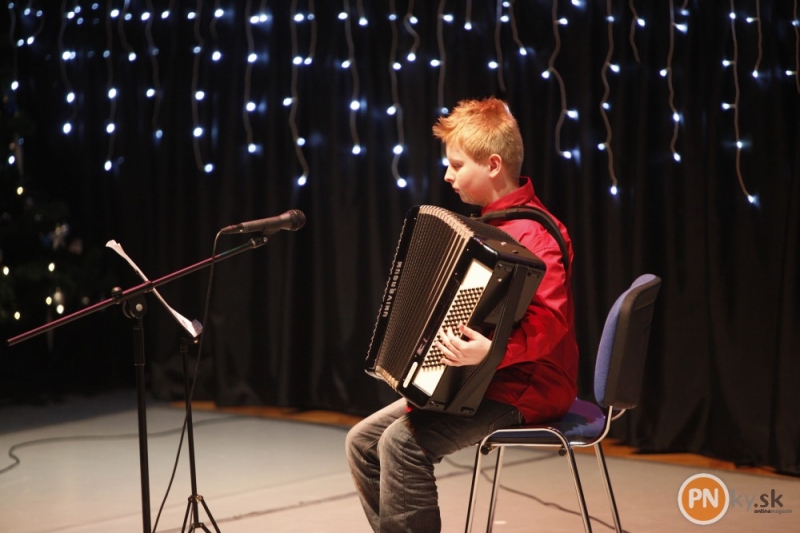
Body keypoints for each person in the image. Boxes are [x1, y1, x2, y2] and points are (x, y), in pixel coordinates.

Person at [346, 97, 578, 532]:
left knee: (401, 445)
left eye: (456, 165)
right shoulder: (490, 228)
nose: (447, 176)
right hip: (484, 380)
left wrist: (493, 352)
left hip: (529, 385)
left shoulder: (535, 234)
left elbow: (552, 323)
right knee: (363, 443)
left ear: (493, 165)